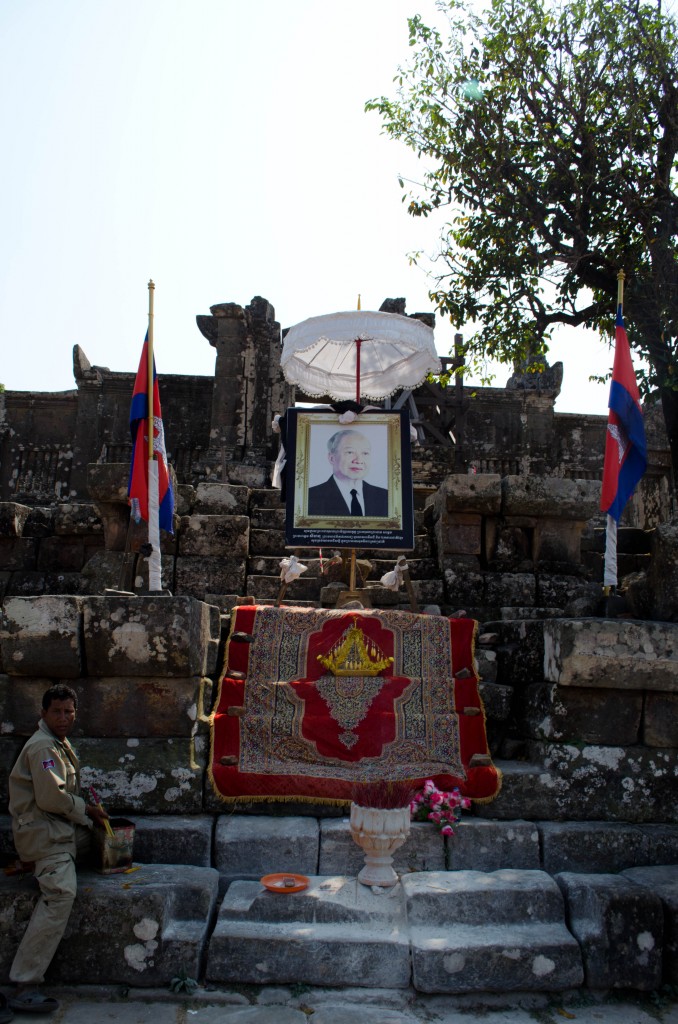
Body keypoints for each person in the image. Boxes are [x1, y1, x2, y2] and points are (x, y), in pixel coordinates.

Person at [7, 684, 109, 1014]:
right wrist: (86, 810)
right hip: (44, 835)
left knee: (106, 839)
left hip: (57, 828)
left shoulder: (57, 743)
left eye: (69, 712)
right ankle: (25, 982)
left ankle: (35, 862)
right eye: (56, 712)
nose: (63, 718)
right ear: (43, 714)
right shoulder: (43, 749)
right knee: (62, 893)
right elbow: (51, 799)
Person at [307, 428, 389, 517]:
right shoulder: (310, 498)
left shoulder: (385, 497)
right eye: (350, 452)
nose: (359, 460)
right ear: (331, 458)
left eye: (365, 453)